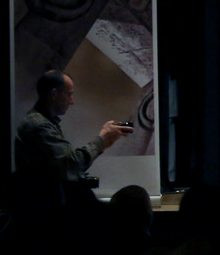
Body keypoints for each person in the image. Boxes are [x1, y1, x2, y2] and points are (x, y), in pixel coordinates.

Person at [13, 71, 133, 206]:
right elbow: (71, 164)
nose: (72, 101)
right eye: (69, 94)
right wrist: (102, 140)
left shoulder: (42, 122)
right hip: (40, 209)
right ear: (54, 94)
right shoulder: (39, 125)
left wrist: (104, 142)